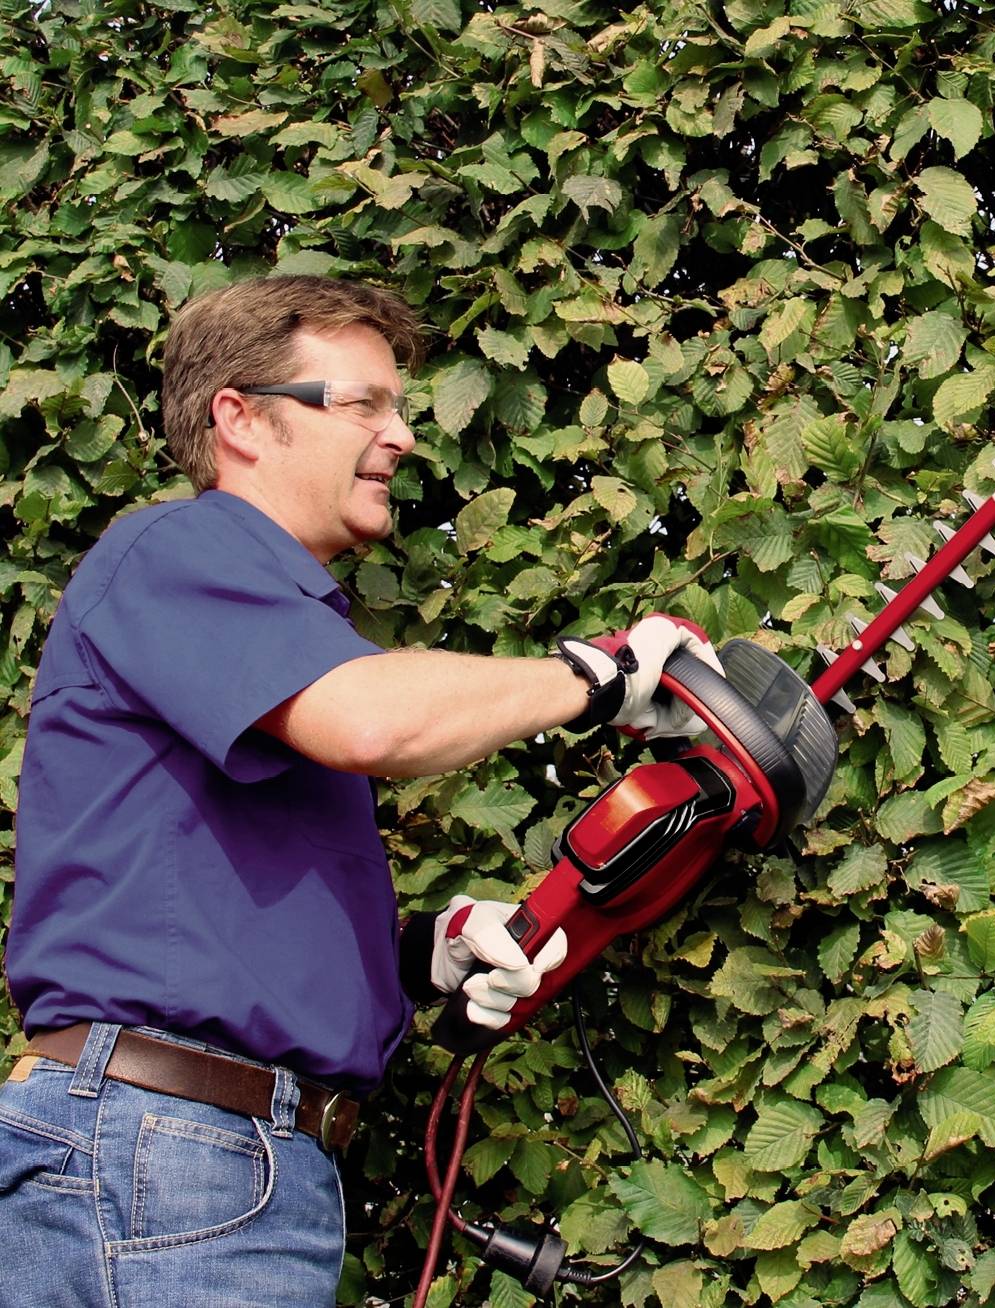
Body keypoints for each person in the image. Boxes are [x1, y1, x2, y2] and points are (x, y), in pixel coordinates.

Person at [0, 275, 719, 1306]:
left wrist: (424, 952)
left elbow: (212, 898)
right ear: (239, 419)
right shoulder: (178, 553)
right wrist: (596, 677)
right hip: (169, 1155)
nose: (403, 436)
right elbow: (376, 724)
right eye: (363, 404)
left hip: (204, 1164)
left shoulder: (266, 635)